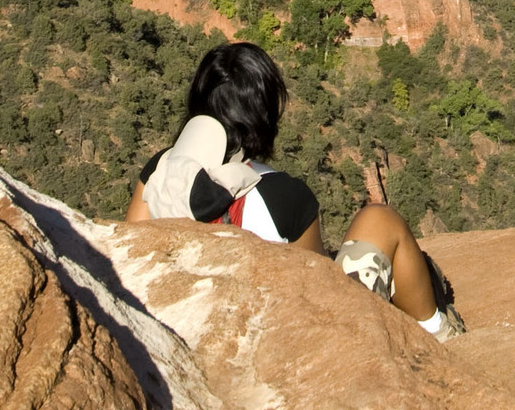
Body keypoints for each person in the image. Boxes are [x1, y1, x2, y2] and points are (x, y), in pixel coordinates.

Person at [126, 40, 464, 340]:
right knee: (379, 219)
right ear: (265, 114)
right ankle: (437, 333)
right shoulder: (283, 195)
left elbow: (132, 253)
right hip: (280, 339)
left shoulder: (159, 171)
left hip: (178, 327)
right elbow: (316, 285)